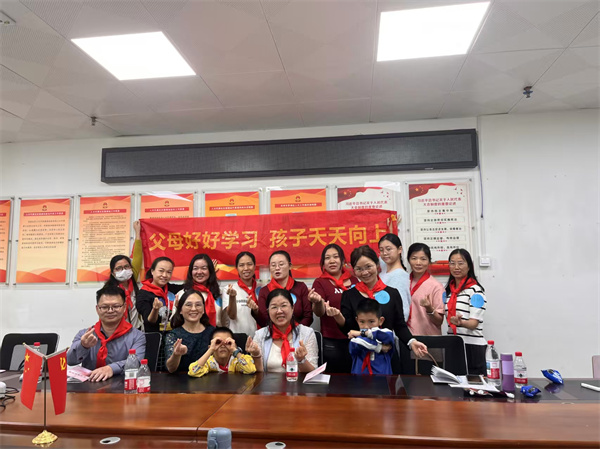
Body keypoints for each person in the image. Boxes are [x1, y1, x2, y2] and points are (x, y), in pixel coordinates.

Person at [333, 245, 428, 374]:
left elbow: (399, 325)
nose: (365, 272)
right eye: (359, 269)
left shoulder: (393, 293)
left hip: (387, 357)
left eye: (368, 266)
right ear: (354, 271)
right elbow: (348, 329)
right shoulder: (349, 295)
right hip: (360, 358)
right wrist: (337, 317)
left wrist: (412, 342)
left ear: (377, 265)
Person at [67, 286, 146, 382]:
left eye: (116, 306)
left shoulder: (137, 336)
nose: (110, 310)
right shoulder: (85, 334)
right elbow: (70, 361)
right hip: (90, 387)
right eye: (104, 307)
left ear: (124, 307)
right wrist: (83, 346)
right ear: (97, 309)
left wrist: (111, 368)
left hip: (123, 385)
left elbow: (137, 362)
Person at [308, 244, 357, 373]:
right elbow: (319, 313)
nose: (332, 260)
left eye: (335, 257)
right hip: (331, 341)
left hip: (356, 338)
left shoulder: (354, 280)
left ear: (342, 260)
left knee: (356, 380)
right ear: (323, 262)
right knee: (334, 380)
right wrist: (318, 302)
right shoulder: (320, 282)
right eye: (327, 258)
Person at [252, 289, 318, 373]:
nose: (279, 311)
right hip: (268, 381)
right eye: (274, 307)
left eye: (283, 305)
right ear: (268, 311)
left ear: (292, 308)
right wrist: (256, 356)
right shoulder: (260, 335)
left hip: (298, 381)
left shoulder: (307, 333)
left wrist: (301, 360)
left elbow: (313, 371)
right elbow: (256, 373)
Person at [444, 248, 487, 375]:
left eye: (461, 263)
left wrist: (460, 322)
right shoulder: (448, 292)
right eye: (452, 263)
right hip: (453, 344)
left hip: (472, 346)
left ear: (469, 266)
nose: (456, 267)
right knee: (453, 384)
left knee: (473, 385)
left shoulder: (476, 292)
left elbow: (474, 324)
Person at [103, 221, 144, 329]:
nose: (124, 270)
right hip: (117, 331)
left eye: (126, 267)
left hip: (136, 330)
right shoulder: (109, 290)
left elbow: (138, 256)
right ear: (113, 272)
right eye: (119, 268)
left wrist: (138, 233)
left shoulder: (133, 279)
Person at [257, 251, 312, 328]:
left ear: (290, 266)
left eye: (281, 264)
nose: (277, 268)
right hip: (273, 334)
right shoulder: (264, 291)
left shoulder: (301, 287)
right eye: (273, 265)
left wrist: (296, 332)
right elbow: (264, 320)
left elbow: (308, 316)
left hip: (299, 333)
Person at [164, 290, 215, 373]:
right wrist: (176, 355)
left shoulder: (213, 333)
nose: (193, 309)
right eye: (188, 305)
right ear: (180, 310)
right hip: (181, 380)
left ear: (203, 309)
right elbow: (170, 368)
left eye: (198, 305)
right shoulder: (173, 335)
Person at [406, 242, 445, 335]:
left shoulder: (436, 286)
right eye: (414, 258)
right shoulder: (404, 282)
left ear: (429, 261)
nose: (418, 263)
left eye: (423, 259)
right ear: (408, 260)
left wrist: (429, 309)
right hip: (406, 338)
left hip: (428, 338)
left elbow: (439, 321)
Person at [136, 257, 183, 333]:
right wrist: (155, 309)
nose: (164, 275)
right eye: (161, 271)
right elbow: (149, 321)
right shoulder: (143, 294)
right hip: (154, 336)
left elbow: (190, 286)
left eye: (169, 272)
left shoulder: (172, 289)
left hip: (173, 334)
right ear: (152, 271)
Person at [348, 299, 395, 375]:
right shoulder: (356, 340)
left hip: (383, 379)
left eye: (371, 321)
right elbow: (357, 342)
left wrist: (362, 333)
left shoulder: (385, 334)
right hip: (359, 380)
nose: (366, 326)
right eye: (362, 322)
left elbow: (387, 334)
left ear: (381, 321)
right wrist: (380, 347)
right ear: (357, 320)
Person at [188, 327, 256, 377]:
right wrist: (211, 350)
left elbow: (251, 370)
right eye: (218, 342)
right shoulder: (208, 362)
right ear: (210, 347)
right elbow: (193, 372)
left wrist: (235, 350)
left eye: (228, 343)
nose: (223, 346)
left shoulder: (237, 361)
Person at [178, 254, 224, 327]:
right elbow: (175, 322)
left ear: (210, 270)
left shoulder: (220, 293)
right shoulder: (182, 294)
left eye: (204, 268)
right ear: (191, 271)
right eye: (195, 268)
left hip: (216, 332)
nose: (199, 272)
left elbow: (225, 321)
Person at [223, 251, 260, 338]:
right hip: (237, 337)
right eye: (241, 265)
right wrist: (232, 297)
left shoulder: (262, 289)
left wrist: (256, 310)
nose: (246, 268)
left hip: (260, 338)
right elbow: (232, 316)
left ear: (255, 266)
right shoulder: (229, 289)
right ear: (237, 268)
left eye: (249, 264)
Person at [379, 234, 411, 321]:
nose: (384, 253)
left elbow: (403, 311)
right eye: (381, 250)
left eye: (388, 249)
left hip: (390, 326)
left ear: (399, 249)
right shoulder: (384, 271)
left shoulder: (399, 276)